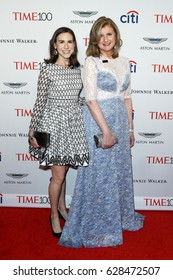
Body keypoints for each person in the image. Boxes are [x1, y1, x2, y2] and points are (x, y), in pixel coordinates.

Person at [59, 17, 144, 248]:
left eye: (110, 34)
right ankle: (97, 227)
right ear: (95, 38)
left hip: (119, 120)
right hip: (98, 122)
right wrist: (106, 132)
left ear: (116, 36)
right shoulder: (92, 62)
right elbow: (90, 100)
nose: (106, 39)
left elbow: (127, 98)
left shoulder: (124, 62)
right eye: (101, 34)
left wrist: (129, 129)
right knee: (99, 174)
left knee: (119, 173)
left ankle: (121, 216)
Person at [28, 27, 89, 238]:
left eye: (69, 42)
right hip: (53, 125)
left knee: (63, 174)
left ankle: (63, 208)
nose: (65, 46)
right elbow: (40, 101)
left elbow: (78, 99)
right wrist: (32, 130)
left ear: (74, 45)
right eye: (61, 42)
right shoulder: (47, 69)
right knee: (58, 175)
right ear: (54, 45)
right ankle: (54, 214)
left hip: (72, 125)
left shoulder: (77, 71)